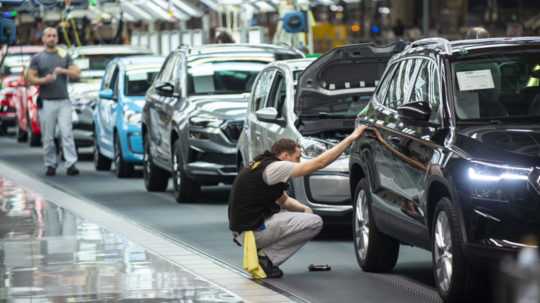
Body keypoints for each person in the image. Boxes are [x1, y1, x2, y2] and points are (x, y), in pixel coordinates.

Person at [228, 125, 368, 278]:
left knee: (305, 216)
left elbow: (284, 200)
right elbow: (319, 163)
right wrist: (350, 139)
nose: (299, 161)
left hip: (245, 231)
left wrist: (304, 209)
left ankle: (264, 255)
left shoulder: (263, 165)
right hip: (252, 232)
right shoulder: (277, 167)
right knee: (315, 222)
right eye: (297, 157)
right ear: (285, 156)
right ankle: (266, 259)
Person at [27, 27, 80, 176]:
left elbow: (76, 72)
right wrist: (43, 80)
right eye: (49, 36)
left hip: (64, 101)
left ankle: (71, 164)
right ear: (43, 39)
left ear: (57, 38)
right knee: (48, 136)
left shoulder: (64, 55)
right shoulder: (37, 58)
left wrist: (63, 71)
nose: (51, 38)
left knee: (67, 133)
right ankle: (50, 164)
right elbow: (29, 77)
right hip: (47, 101)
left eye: (54, 36)